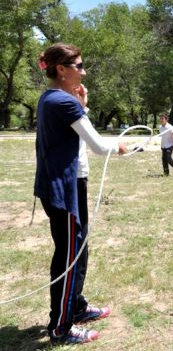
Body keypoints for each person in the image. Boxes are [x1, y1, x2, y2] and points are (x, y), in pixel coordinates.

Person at [35, 43, 127, 344]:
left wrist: (83, 106)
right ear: (61, 69)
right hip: (65, 189)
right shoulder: (63, 102)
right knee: (70, 256)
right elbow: (100, 147)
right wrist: (127, 147)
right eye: (79, 66)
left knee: (78, 250)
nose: (84, 72)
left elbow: (73, 135)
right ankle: (61, 327)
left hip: (62, 185)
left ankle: (76, 306)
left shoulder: (52, 99)